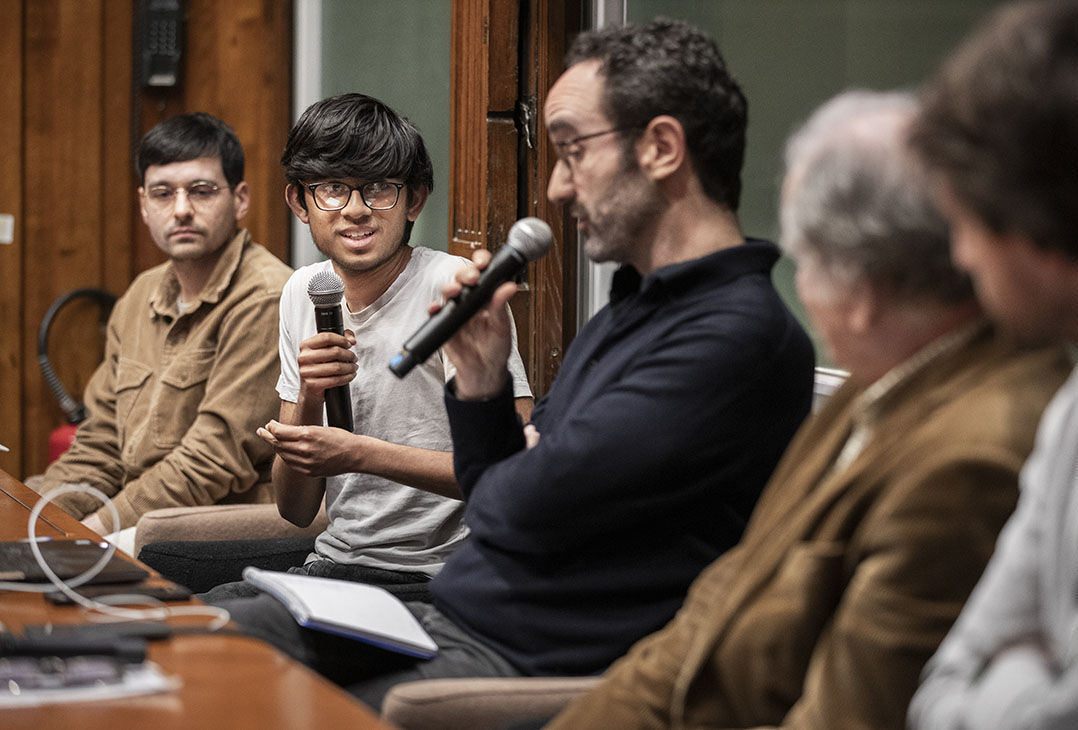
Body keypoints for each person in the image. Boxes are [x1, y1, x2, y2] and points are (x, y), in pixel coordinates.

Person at [216, 17, 815, 708]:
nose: (558, 187)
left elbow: (511, 508)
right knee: (201, 637)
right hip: (456, 612)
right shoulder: (633, 311)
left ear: (660, 147)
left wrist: (489, 416)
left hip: (523, 650)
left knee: (258, 701)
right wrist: (482, 379)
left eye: (572, 151)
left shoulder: (732, 336)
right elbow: (513, 484)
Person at [543, 89, 1075, 730]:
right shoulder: (884, 379)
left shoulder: (970, 457)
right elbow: (717, 604)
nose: (801, 293)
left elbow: (847, 716)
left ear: (859, 287)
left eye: (805, 264)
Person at [196, 92, 532, 601]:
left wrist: (359, 454)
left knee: (220, 628)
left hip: (434, 578)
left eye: (379, 189)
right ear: (300, 202)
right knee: (182, 604)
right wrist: (309, 395)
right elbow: (296, 508)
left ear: (415, 199)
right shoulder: (302, 292)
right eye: (333, 189)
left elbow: (515, 474)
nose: (355, 210)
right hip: (334, 561)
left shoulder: (454, 289)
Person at [906, 2, 1078, 727]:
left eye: (965, 224)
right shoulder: (1077, 399)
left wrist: (1019, 671)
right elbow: (940, 689)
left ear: (1032, 222)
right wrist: (1034, 665)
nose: (960, 257)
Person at [29, 112, 291, 551]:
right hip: (134, 513)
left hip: (215, 528)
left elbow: (212, 461)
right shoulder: (140, 294)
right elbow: (101, 441)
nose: (182, 209)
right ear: (144, 205)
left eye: (202, 191)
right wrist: (39, 515)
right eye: (163, 194)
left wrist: (92, 530)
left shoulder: (268, 297)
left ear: (240, 199)